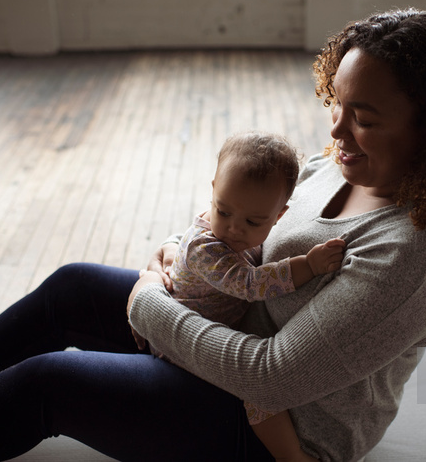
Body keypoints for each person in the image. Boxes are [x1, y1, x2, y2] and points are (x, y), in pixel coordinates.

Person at [0, 8, 426, 462]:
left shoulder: (414, 257)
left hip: (276, 424)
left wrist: (150, 304)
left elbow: (270, 378)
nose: (337, 132)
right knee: (71, 286)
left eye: (364, 118)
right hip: (232, 329)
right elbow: (246, 234)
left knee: (50, 382)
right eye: (336, 105)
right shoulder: (338, 166)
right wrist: (181, 257)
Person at [139, 130, 345, 462]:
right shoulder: (205, 247)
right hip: (177, 345)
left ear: (279, 216)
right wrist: (307, 264)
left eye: (253, 221)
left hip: (217, 328)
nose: (234, 229)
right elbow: (250, 283)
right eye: (223, 211)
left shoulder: (242, 222)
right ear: (213, 192)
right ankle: (292, 457)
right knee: (258, 397)